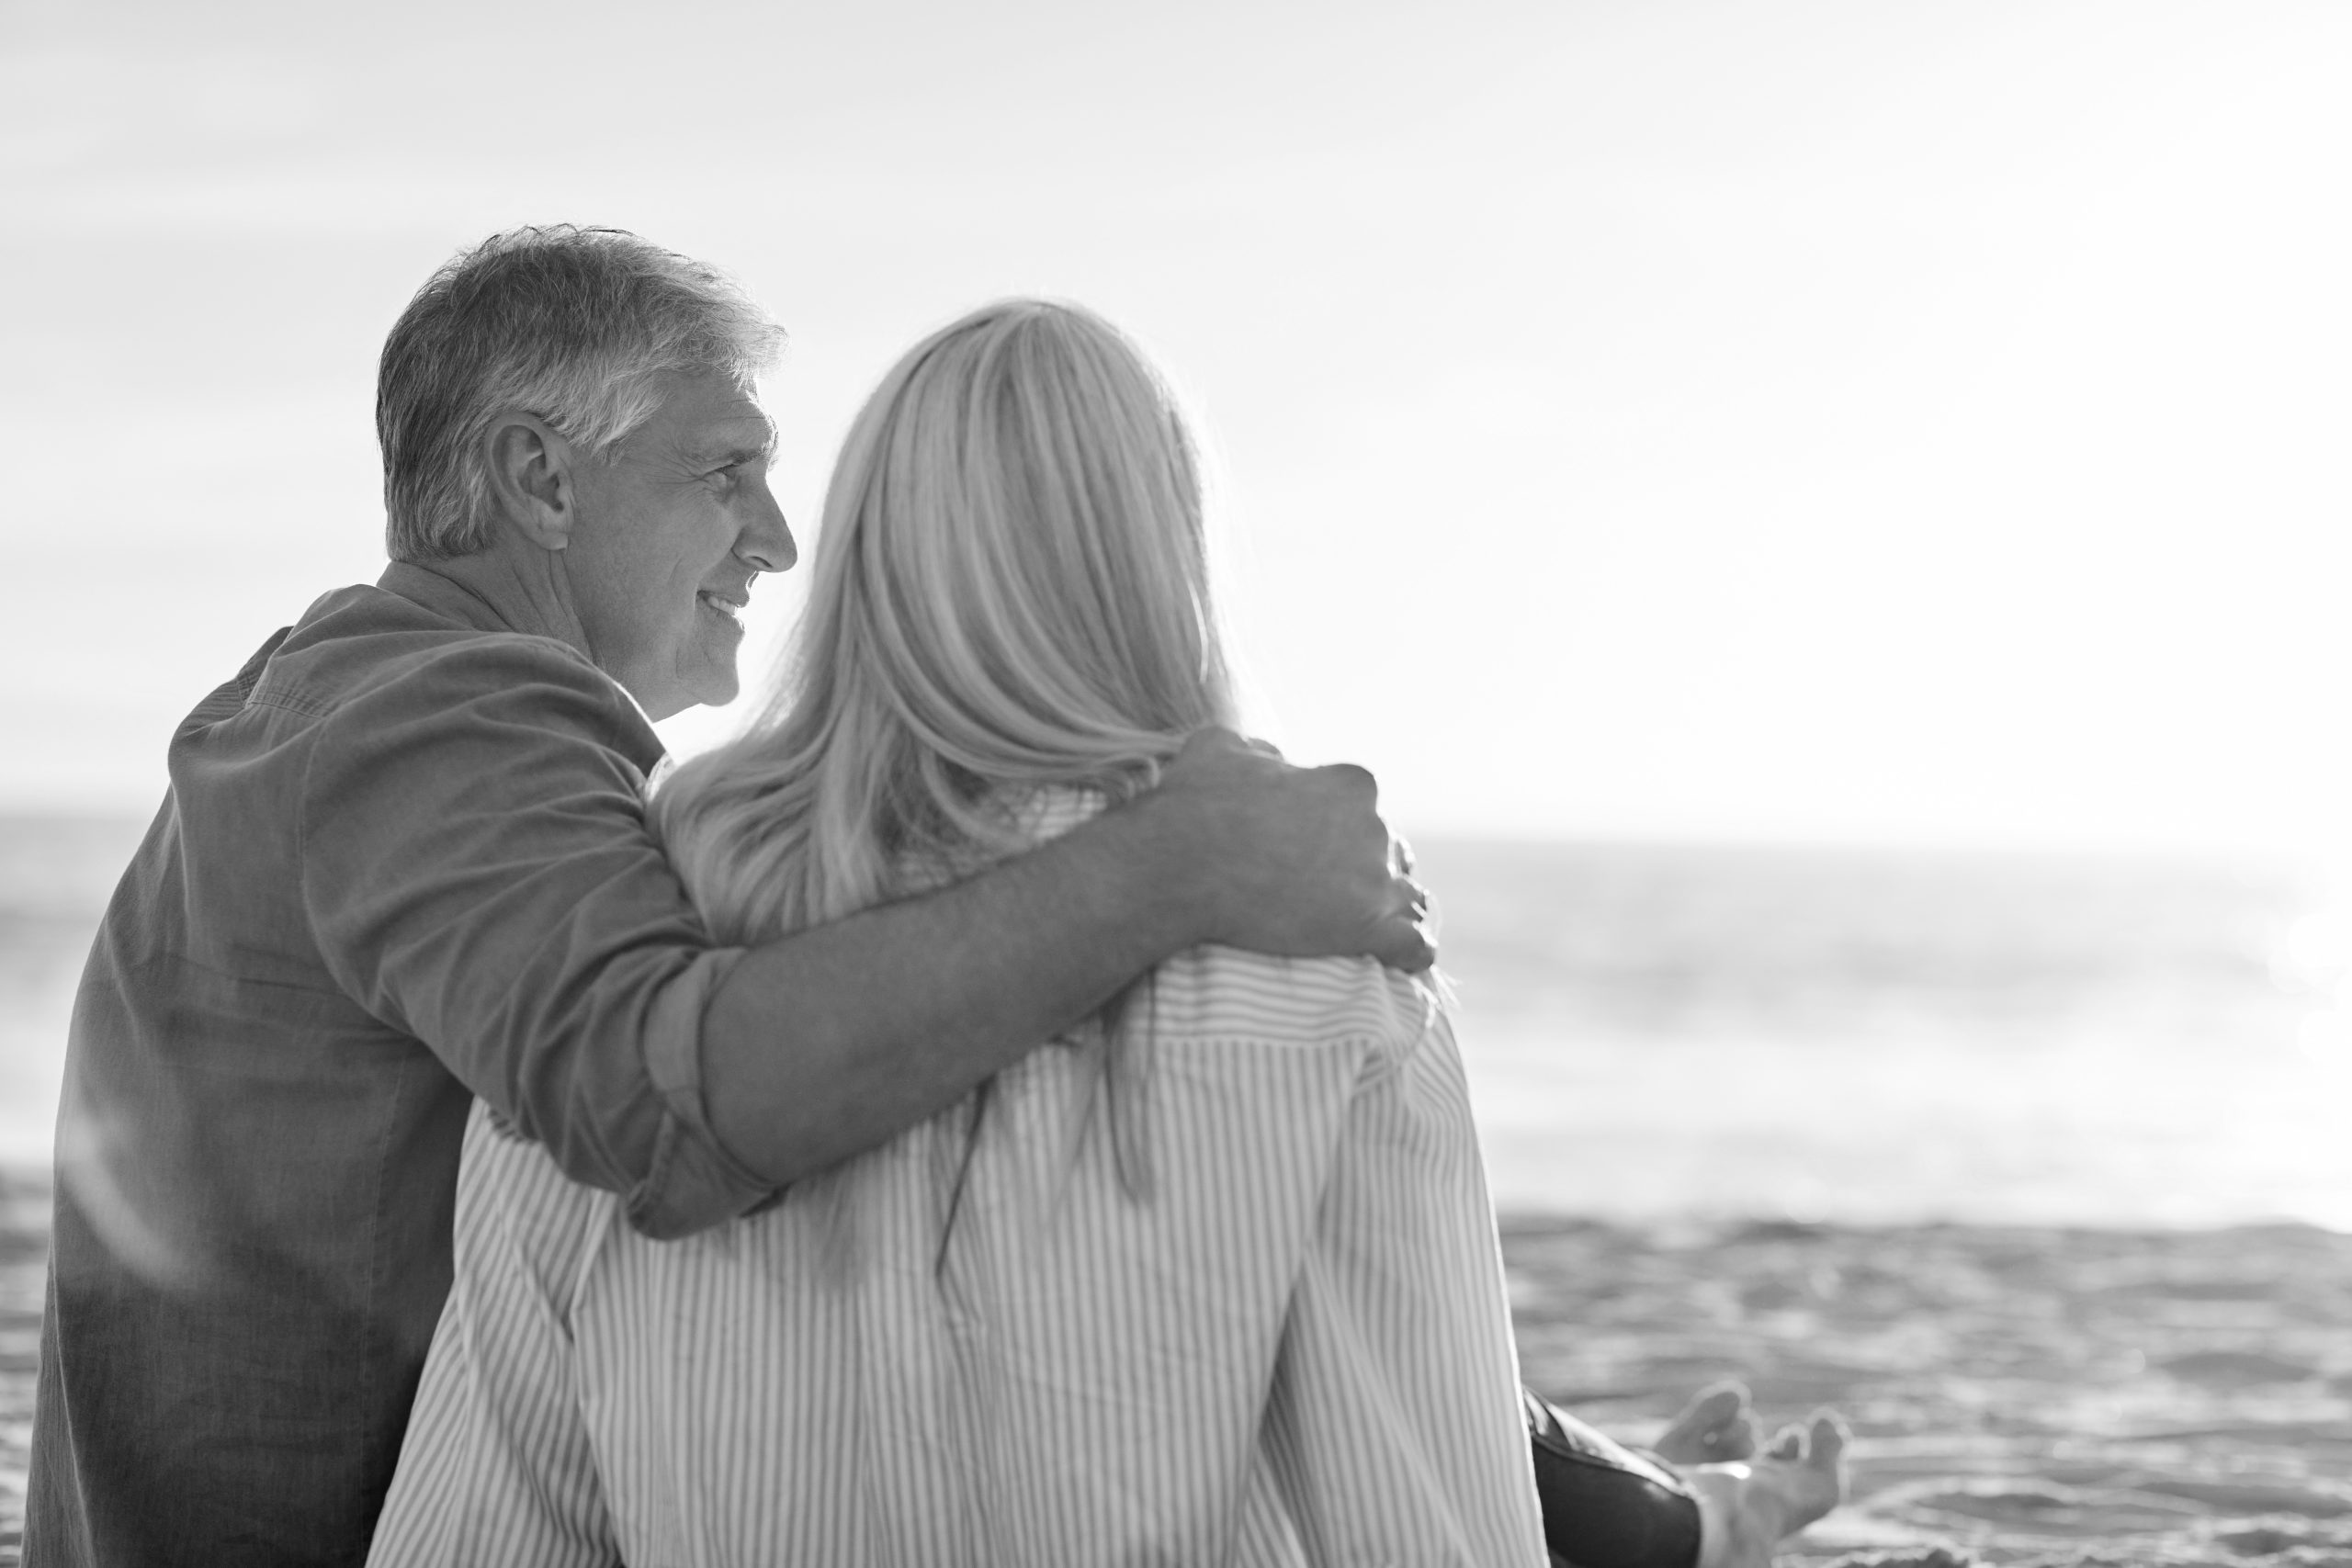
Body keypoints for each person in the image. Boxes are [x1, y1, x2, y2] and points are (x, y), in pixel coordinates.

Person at [26, 230, 1430, 1567]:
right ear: (542, 479)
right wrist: (1185, 857)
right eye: (726, 470)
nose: (777, 539)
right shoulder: (449, 717)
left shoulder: (325, 696)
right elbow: (664, 1102)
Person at [367, 300, 1844, 1567]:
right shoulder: (1315, 964)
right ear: (1166, 555)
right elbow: (1427, 1524)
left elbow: (487, 1521)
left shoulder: (634, 936)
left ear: (875, 549)